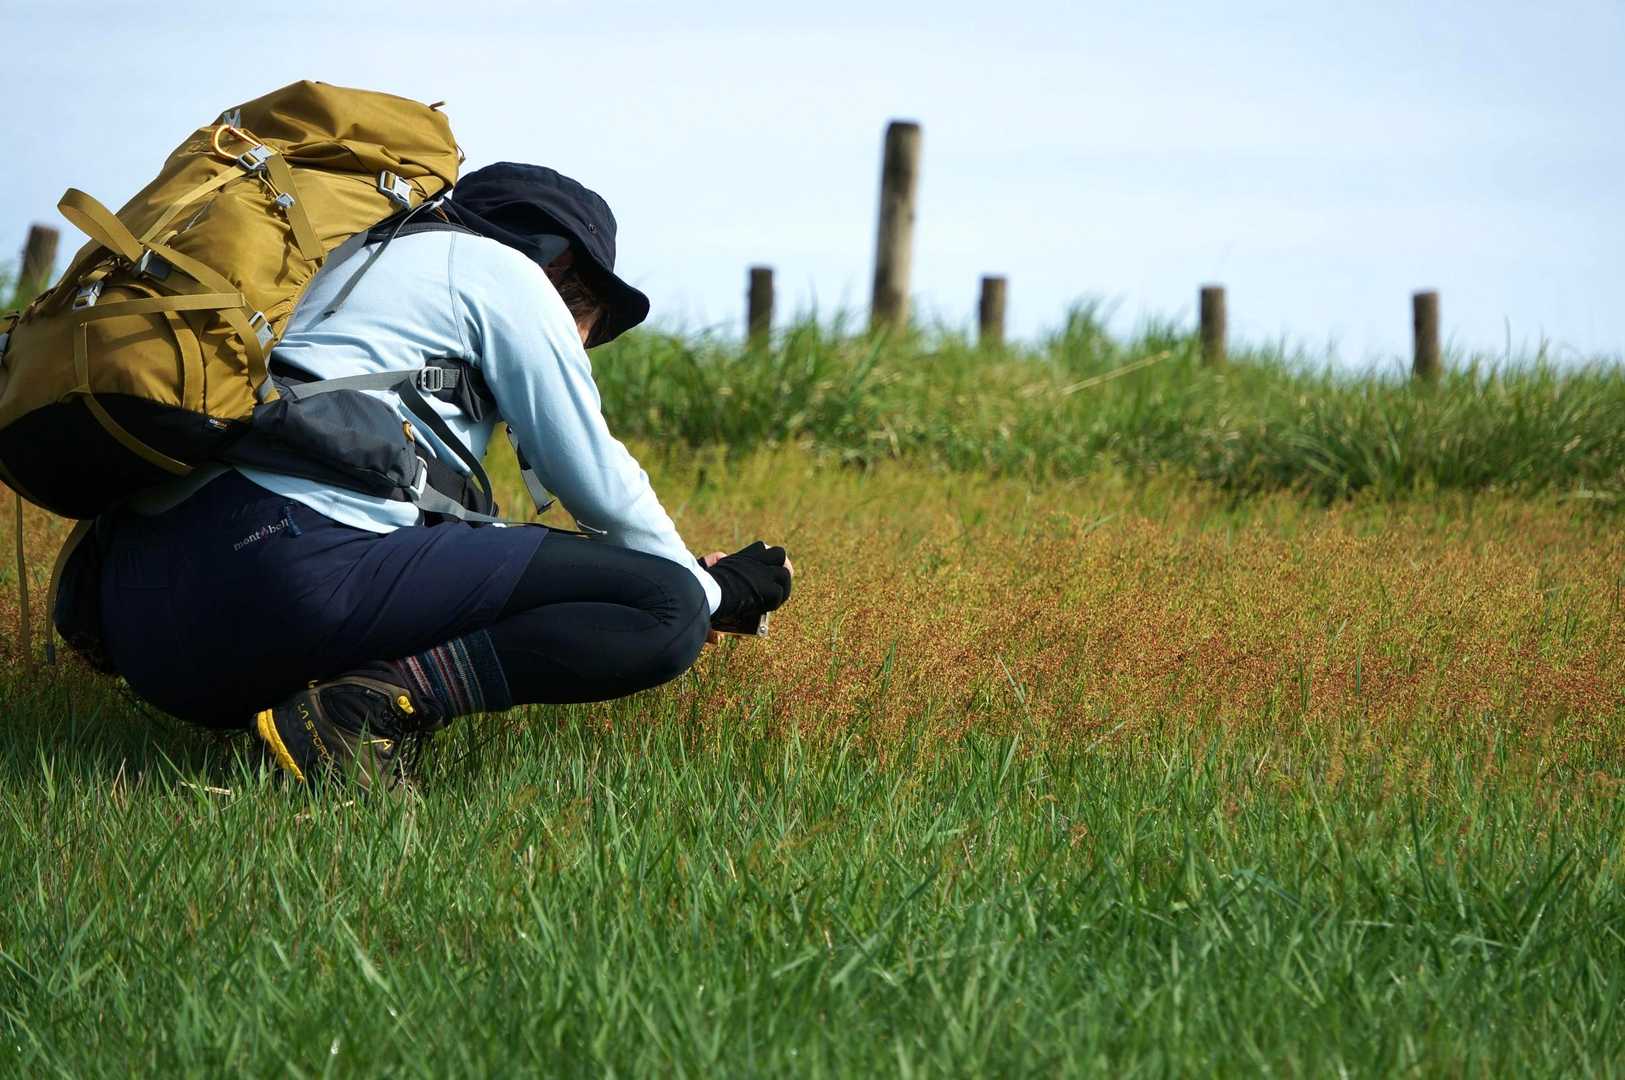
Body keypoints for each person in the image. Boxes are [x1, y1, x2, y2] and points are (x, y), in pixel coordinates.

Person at [90, 163, 794, 790]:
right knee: (664, 608)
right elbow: (599, 485)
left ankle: (304, 725)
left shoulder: (341, 264)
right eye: (591, 318)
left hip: (143, 632)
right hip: (281, 573)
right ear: (561, 265)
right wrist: (712, 590)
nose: (582, 340)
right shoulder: (501, 271)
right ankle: (354, 716)